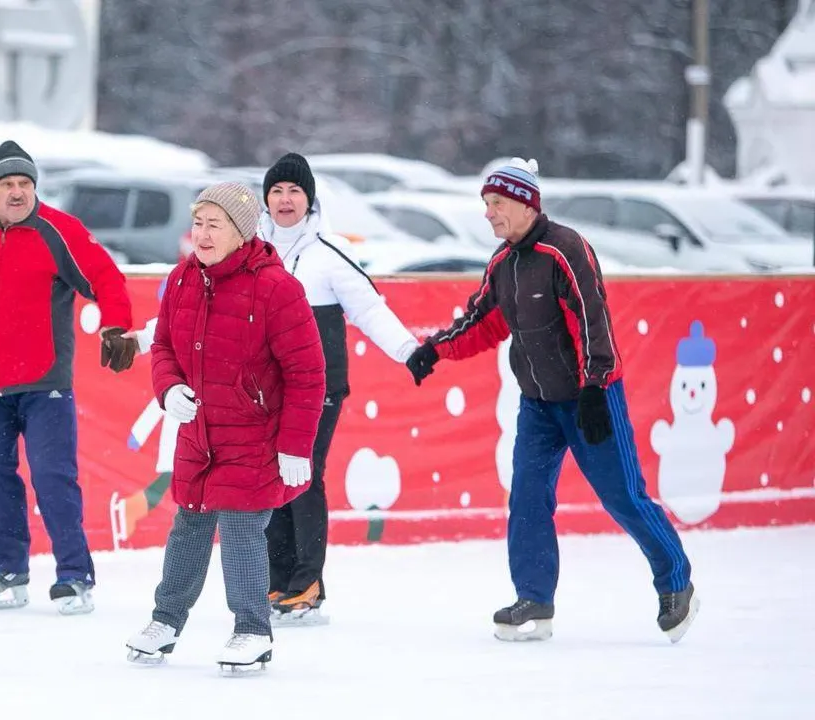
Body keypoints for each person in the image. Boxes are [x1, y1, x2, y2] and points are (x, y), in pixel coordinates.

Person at [405, 158, 699, 643]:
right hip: (538, 404)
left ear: (525, 203)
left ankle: (676, 582)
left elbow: (593, 320)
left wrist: (594, 387)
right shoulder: (503, 263)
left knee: (623, 496)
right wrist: (435, 350)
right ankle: (534, 599)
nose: (489, 214)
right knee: (526, 498)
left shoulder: (565, 250)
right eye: (486, 204)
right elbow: (482, 322)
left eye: (496, 203)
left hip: (590, 396)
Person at [124, 181, 325, 673]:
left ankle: (252, 629)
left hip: (254, 433)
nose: (204, 234)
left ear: (242, 232)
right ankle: (166, 621)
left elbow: (307, 373)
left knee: (240, 527)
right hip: (199, 433)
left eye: (216, 225)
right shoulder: (182, 280)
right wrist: (169, 390)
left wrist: (296, 446)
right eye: (198, 223)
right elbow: (165, 347)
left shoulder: (277, 287)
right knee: (188, 525)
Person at [0, 140, 138, 615]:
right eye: (8, 184)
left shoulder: (57, 231)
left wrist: (115, 327)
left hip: (46, 383)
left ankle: (74, 576)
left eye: (25, 183)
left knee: (52, 476)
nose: (18, 192)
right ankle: (7, 569)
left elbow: (105, 278)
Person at [256, 152, 421, 626]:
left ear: (309, 200)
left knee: (303, 475)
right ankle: (279, 579)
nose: (285, 200)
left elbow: (370, 309)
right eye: (277, 191)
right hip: (267, 388)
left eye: (295, 192)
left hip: (319, 387)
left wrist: (410, 351)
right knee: (272, 478)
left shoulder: (327, 255)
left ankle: (307, 585)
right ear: (265, 200)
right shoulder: (251, 250)